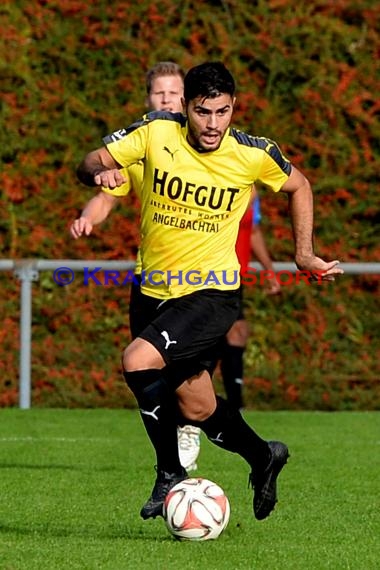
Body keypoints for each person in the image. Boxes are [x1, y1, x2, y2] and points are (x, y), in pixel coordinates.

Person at [72, 61, 343, 523]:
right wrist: (100, 171)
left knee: (136, 360)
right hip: (152, 292)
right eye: (203, 112)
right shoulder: (156, 133)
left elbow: (300, 185)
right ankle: (263, 456)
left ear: (233, 107)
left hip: (212, 294)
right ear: (186, 109)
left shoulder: (253, 152)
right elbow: (89, 162)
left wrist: (303, 253)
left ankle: (169, 473)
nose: (214, 123)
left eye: (222, 112)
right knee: (196, 405)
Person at [221, 191, 281, 410]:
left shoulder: (251, 191)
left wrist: (269, 269)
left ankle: (234, 404)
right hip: (207, 272)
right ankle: (190, 406)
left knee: (237, 333)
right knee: (214, 336)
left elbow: (252, 231)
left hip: (233, 276)